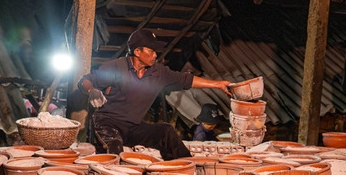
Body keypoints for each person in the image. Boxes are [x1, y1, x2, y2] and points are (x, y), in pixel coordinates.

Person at [78, 29, 233, 160]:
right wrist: (92, 91)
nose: (155, 55)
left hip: (133, 127)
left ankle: (186, 168)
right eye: (151, 51)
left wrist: (218, 84)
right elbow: (85, 81)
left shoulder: (158, 72)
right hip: (108, 123)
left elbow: (186, 79)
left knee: (165, 131)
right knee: (114, 148)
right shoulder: (115, 67)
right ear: (137, 51)